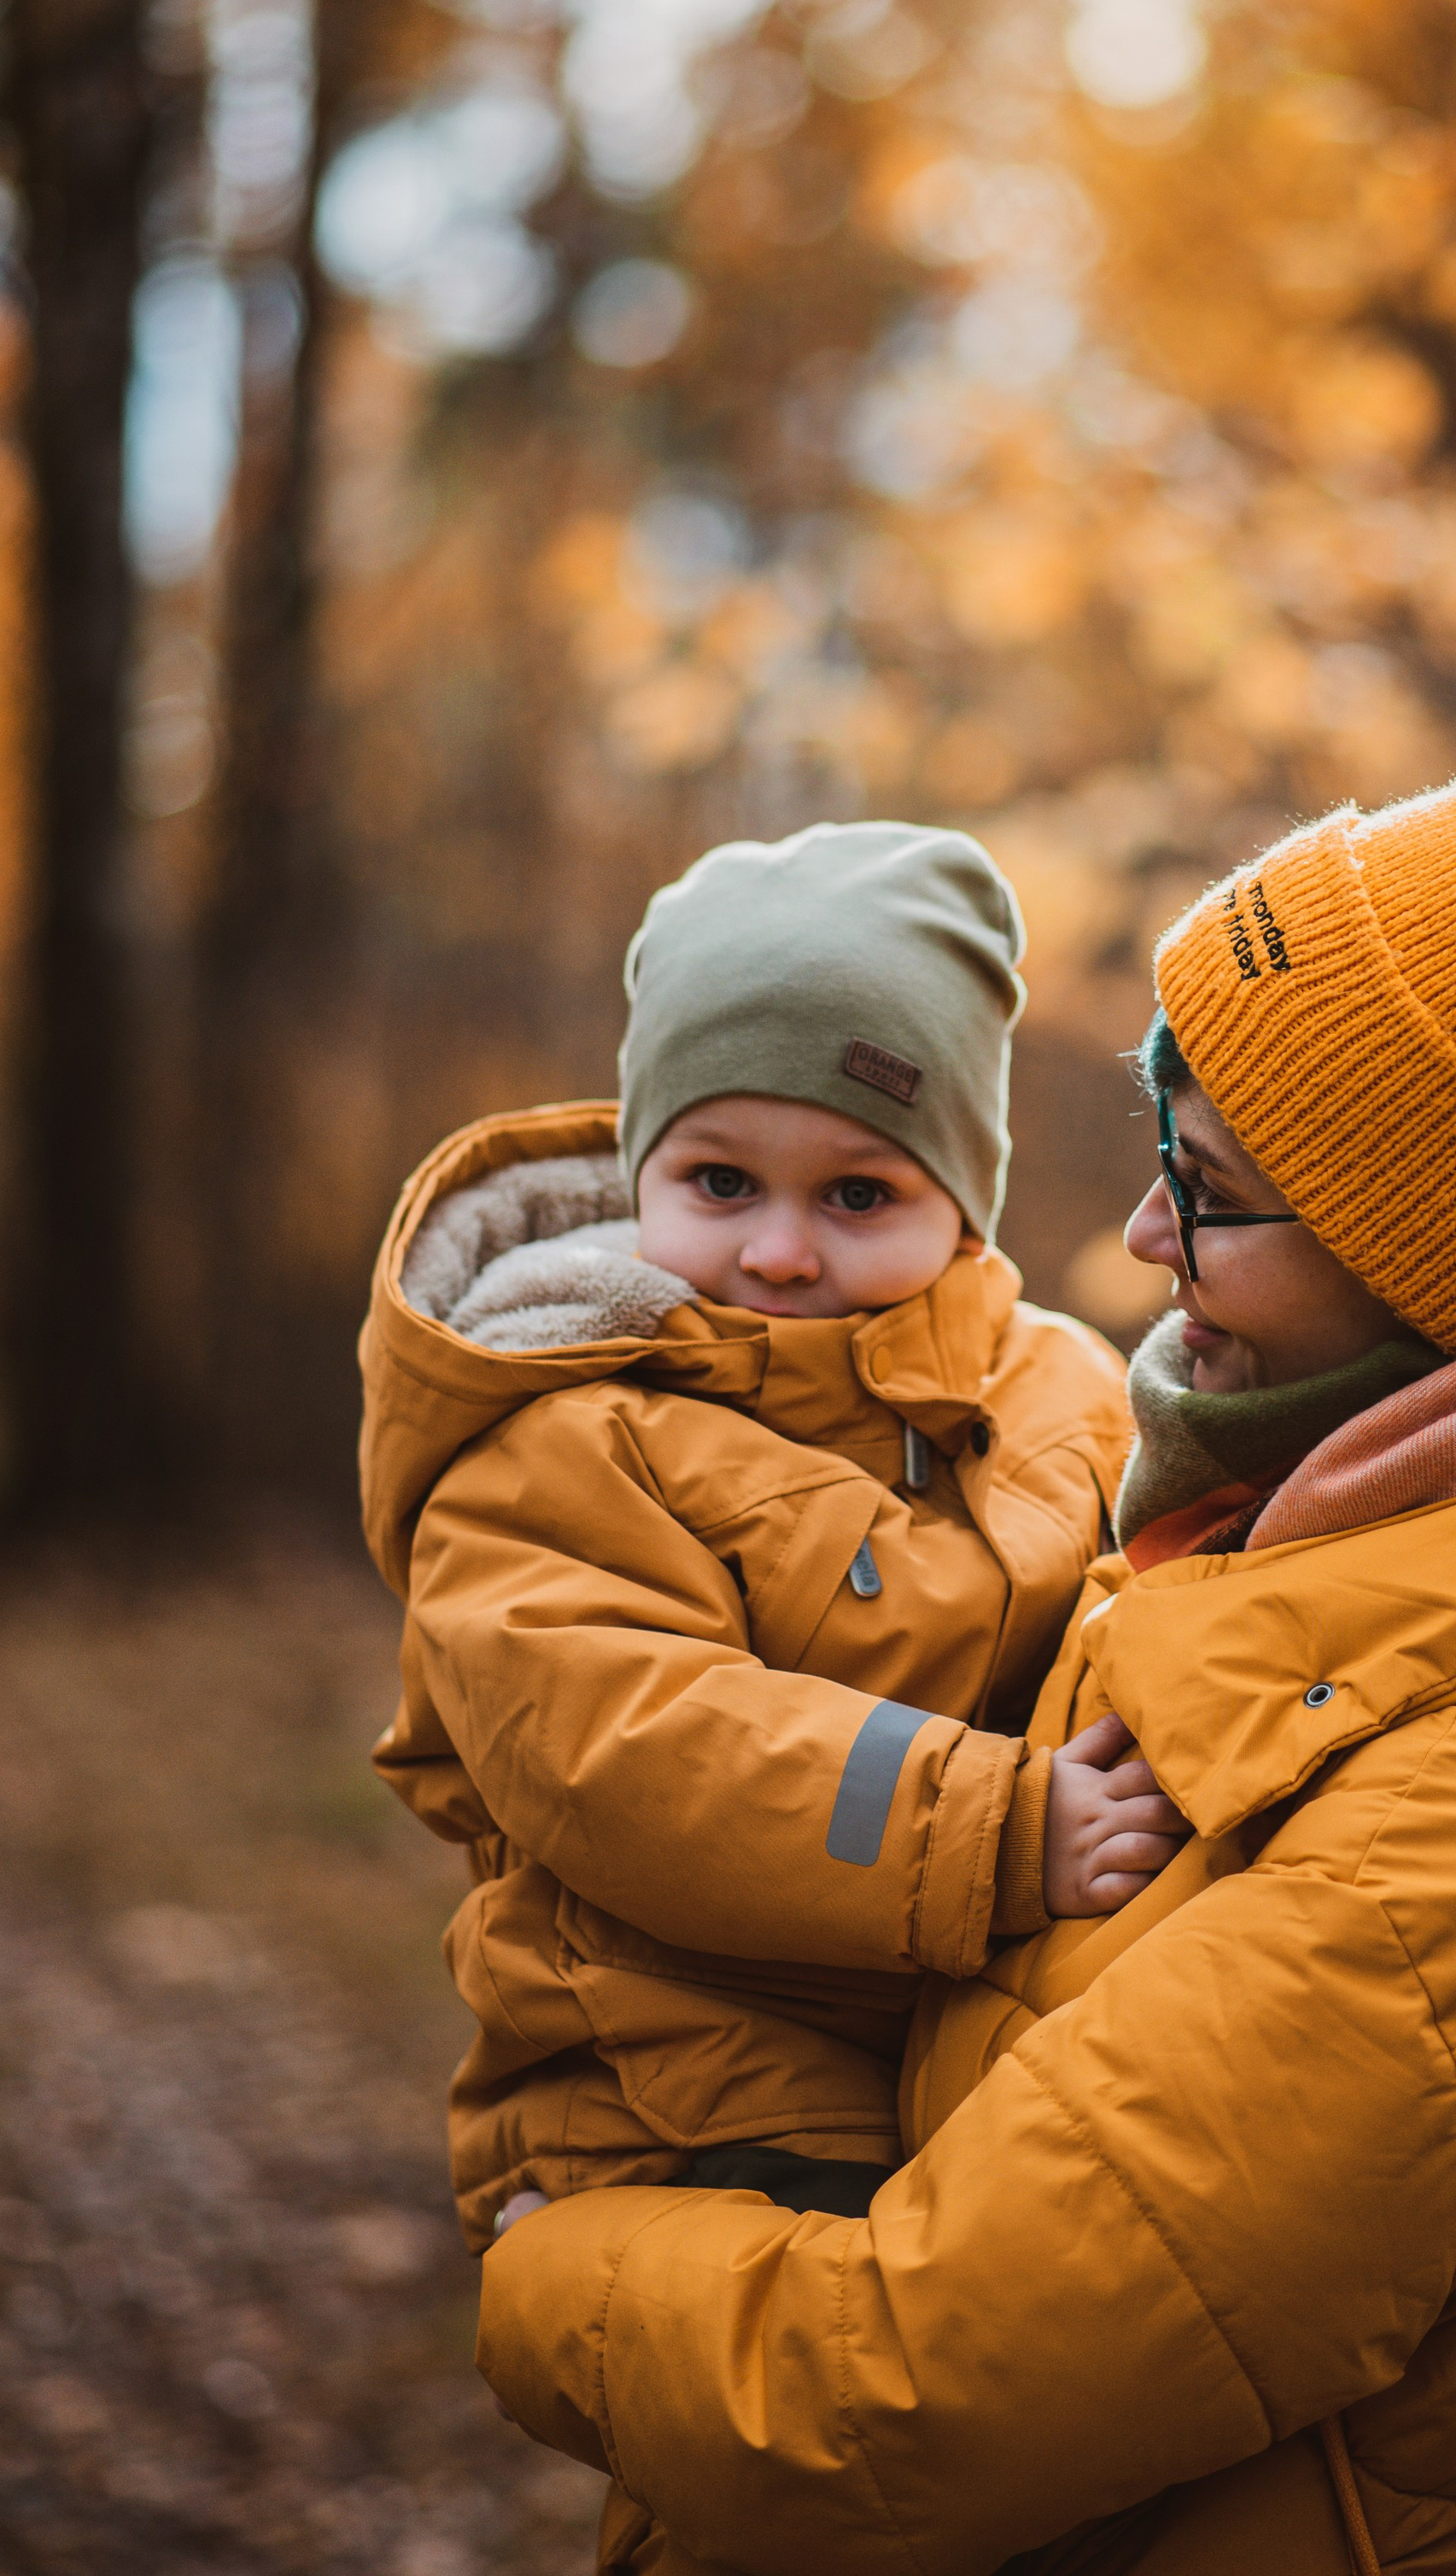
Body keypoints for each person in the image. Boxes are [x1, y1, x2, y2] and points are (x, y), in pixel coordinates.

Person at [475, 766, 1456, 2576]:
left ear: (1428, 1261)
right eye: (1156, 1154)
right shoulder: (1287, 1552)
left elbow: (895, 2400)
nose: (1137, 1242)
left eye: (1206, 1194)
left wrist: (544, 2269)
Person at [360, 819, 1160, 2252]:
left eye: (858, 1194)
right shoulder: (560, 1431)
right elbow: (633, 1750)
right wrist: (1001, 1830)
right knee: (842, 2402)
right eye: (720, 1184)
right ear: (640, 1172)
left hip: (977, 2035)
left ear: (965, 1206)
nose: (781, 1251)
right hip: (686, 2083)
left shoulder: (1067, 1391)